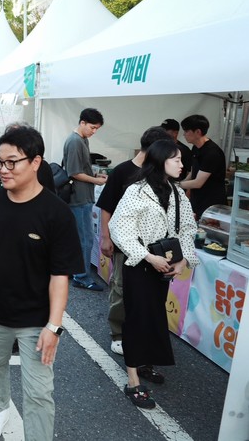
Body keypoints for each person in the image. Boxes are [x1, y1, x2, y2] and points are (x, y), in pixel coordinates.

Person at [0, 126, 82, 441]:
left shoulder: (57, 213)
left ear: (35, 162)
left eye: (12, 162)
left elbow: (60, 275)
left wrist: (54, 327)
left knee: (39, 392)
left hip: (35, 319)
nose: (3, 170)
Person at [109, 140, 199, 410]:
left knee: (155, 316)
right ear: (160, 161)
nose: (182, 165)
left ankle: (144, 363)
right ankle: (133, 380)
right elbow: (119, 228)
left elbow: (187, 229)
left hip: (165, 265)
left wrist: (183, 260)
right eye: (177, 160)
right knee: (138, 318)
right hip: (140, 265)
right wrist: (148, 257)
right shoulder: (136, 191)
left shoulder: (177, 193)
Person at [97, 126, 170, 358]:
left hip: (153, 246)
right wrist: (106, 237)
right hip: (124, 244)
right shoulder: (123, 171)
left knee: (146, 291)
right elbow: (106, 207)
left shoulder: (159, 174)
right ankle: (118, 333)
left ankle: (140, 333)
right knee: (121, 287)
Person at [63, 108, 107, 291]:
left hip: (83, 195)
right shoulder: (75, 141)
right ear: (82, 122)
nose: (94, 131)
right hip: (78, 197)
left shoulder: (82, 139)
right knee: (85, 239)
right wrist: (96, 180)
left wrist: (95, 175)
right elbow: (73, 172)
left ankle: (75, 272)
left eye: (97, 128)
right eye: (92, 127)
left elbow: (81, 169)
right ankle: (81, 277)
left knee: (81, 238)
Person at [180, 114, 227, 219]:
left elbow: (198, 183)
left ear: (198, 132)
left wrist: (176, 185)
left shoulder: (212, 153)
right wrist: (181, 184)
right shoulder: (196, 148)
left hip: (211, 203)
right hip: (197, 199)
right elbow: (193, 172)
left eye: (186, 131)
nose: (184, 134)